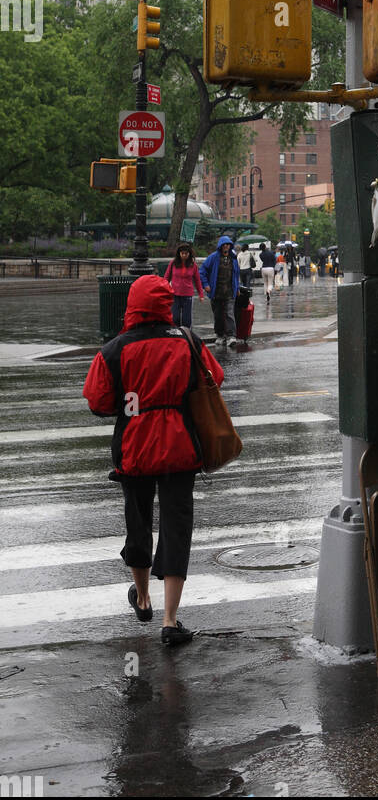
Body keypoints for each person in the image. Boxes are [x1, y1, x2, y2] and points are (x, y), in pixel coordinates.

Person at [82, 275, 224, 646]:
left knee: (138, 519)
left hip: (135, 448)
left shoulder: (114, 350)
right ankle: (170, 620)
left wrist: (132, 403)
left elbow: (98, 402)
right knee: (177, 526)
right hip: (180, 446)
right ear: (166, 304)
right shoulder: (188, 342)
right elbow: (215, 379)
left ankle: (142, 598)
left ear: (132, 305)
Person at [200, 235, 240, 345]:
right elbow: (202, 271)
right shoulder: (213, 257)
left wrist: (237, 288)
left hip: (229, 292)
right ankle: (220, 335)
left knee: (229, 314)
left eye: (228, 244)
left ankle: (231, 335)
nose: (226, 246)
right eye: (224, 244)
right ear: (220, 246)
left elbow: (236, 275)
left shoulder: (233, 259)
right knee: (217, 315)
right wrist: (206, 285)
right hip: (216, 292)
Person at [164, 242, 204, 328]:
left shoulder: (193, 265)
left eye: (186, 253)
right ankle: (176, 334)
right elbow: (166, 277)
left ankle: (186, 334)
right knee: (175, 317)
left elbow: (197, 280)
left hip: (187, 294)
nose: (184, 255)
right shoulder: (173, 263)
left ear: (189, 254)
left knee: (187, 320)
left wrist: (201, 294)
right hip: (175, 294)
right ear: (179, 254)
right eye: (182, 253)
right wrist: (164, 290)